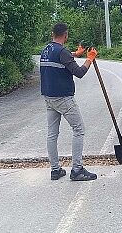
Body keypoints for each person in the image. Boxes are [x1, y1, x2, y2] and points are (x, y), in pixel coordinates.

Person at [40, 23, 98, 181]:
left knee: (52, 134)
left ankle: (55, 170)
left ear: (53, 34)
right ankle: (77, 170)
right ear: (65, 35)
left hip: (48, 97)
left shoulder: (46, 49)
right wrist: (89, 59)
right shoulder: (63, 52)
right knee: (79, 129)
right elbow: (79, 72)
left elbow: (63, 57)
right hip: (63, 97)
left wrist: (76, 54)